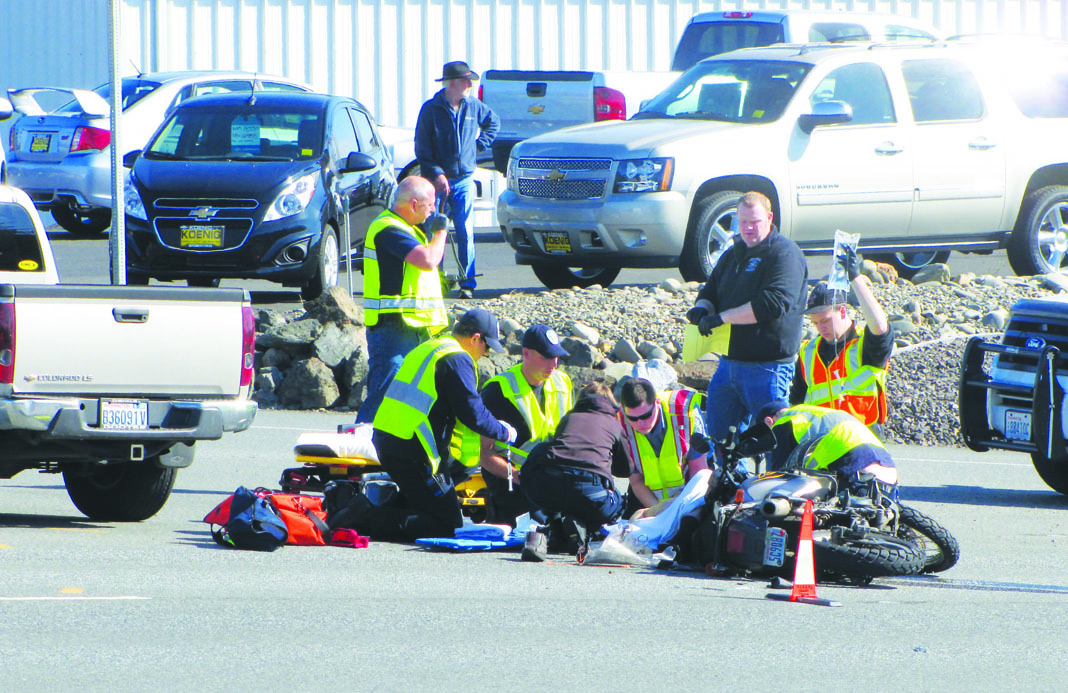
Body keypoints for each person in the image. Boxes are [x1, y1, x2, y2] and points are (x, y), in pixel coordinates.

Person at [359, 308, 518, 541]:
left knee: (424, 499)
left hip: (392, 439)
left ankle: (364, 511)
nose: (484, 354)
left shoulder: (432, 347)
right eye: (486, 347)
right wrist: (504, 431)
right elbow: (471, 412)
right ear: (475, 338)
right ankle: (363, 518)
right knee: (446, 523)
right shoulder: (458, 358)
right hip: (413, 448)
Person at [686, 190, 808, 443]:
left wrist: (722, 318)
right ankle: (734, 483)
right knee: (720, 442)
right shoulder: (733, 254)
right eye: (743, 222)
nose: (749, 228)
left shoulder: (784, 254)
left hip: (769, 367)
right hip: (729, 365)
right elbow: (710, 289)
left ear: (770, 218)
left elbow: (772, 304)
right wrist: (703, 308)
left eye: (755, 221)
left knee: (775, 442)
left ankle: (775, 483)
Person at [355, 176, 448, 424]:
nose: (432, 211)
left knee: (409, 394)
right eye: (429, 206)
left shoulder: (406, 228)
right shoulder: (389, 228)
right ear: (414, 204)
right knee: (384, 392)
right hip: (393, 326)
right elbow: (428, 259)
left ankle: (386, 449)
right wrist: (441, 232)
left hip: (413, 324)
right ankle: (358, 447)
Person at [415, 60, 500, 299]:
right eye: (466, 80)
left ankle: (467, 283)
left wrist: (477, 147)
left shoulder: (473, 106)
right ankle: (435, 283)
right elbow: (422, 150)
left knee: (465, 231)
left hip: (463, 180)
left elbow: (494, 123)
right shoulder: (430, 110)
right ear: (453, 83)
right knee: (435, 232)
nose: (470, 84)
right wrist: (437, 174)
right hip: (435, 185)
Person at [519, 381, 629, 561]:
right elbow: (625, 469)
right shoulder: (614, 424)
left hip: (549, 489)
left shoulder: (569, 418)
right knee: (618, 501)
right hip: (592, 495)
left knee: (563, 491)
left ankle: (558, 527)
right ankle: (585, 529)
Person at [479, 324, 574, 526]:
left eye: (556, 357)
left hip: (550, 477)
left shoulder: (563, 382)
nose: (554, 364)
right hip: (512, 480)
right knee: (541, 525)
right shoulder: (498, 390)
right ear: (526, 354)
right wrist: (519, 477)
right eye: (546, 357)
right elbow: (486, 456)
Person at [791, 249, 894, 430]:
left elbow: (880, 326)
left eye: (825, 321)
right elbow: (797, 402)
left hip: (862, 439)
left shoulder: (863, 345)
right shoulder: (808, 353)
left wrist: (855, 278)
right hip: (822, 439)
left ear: (843, 311)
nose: (821, 328)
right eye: (815, 323)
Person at [758, 401, 898, 496]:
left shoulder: (783, 422)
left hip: (852, 462)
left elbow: (778, 477)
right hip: (884, 461)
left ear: (769, 421)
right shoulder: (815, 413)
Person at [618, 378, 709, 517]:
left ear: (657, 403)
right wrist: (659, 511)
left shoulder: (686, 414)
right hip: (648, 495)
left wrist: (678, 506)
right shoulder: (619, 423)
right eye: (633, 418)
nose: (640, 423)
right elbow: (636, 482)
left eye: (646, 415)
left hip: (688, 489)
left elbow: (699, 473)